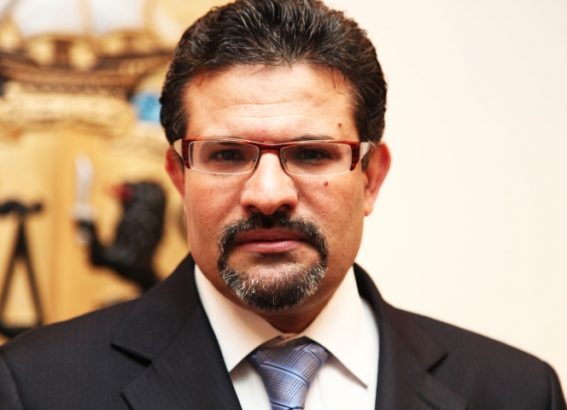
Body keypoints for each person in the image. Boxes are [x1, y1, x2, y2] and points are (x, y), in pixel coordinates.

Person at [0, 0, 565, 408]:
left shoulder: (514, 392)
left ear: (370, 178)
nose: (268, 195)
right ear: (179, 176)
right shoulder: (36, 387)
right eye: (226, 155)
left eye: (312, 153)